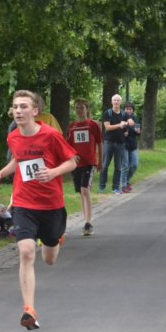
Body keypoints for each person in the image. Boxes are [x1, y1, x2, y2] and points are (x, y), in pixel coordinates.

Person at [0, 90, 77, 331]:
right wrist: (0, 174)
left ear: (34, 111)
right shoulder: (13, 137)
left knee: (49, 259)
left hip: (51, 205)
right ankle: (29, 310)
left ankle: (56, 237)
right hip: (24, 203)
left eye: (23, 106)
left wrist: (53, 172)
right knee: (26, 252)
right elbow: (18, 160)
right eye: (15, 106)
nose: (18, 111)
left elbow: (72, 161)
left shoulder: (51, 135)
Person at [65, 98, 102, 236]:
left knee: (84, 189)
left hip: (89, 162)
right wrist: (71, 156)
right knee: (81, 192)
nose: (79, 110)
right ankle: (86, 219)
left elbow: (99, 143)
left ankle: (88, 222)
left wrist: (100, 161)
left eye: (82, 107)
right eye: (77, 108)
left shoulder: (92, 125)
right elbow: (67, 146)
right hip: (76, 164)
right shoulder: (72, 127)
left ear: (87, 109)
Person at [99, 94, 128, 193]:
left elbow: (126, 125)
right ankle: (102, 187)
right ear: (112, 102)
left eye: (118, 100)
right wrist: (119, 125)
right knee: (105, 165)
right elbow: (107, 127)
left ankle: (115, 188)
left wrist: (126, 130)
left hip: (120, 143)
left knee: (118, 167)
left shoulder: (124, 114)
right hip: (109, 142)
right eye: (114, 100)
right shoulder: (108, 113)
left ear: (120, 102)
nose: (116, 102)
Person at [122, 101, 140, 191]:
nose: (128, 111)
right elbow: (117, 131)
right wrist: (123, 133)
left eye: (130, 109)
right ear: (124, 110)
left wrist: (138, 131)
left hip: (133, 144)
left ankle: (127, 180)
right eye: (127, 109)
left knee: (134, 165)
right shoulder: (121, 118)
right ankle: (123, 185)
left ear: (133, 110)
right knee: (125, 166)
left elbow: (138, 131)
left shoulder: (135, 118)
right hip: (124, 145)